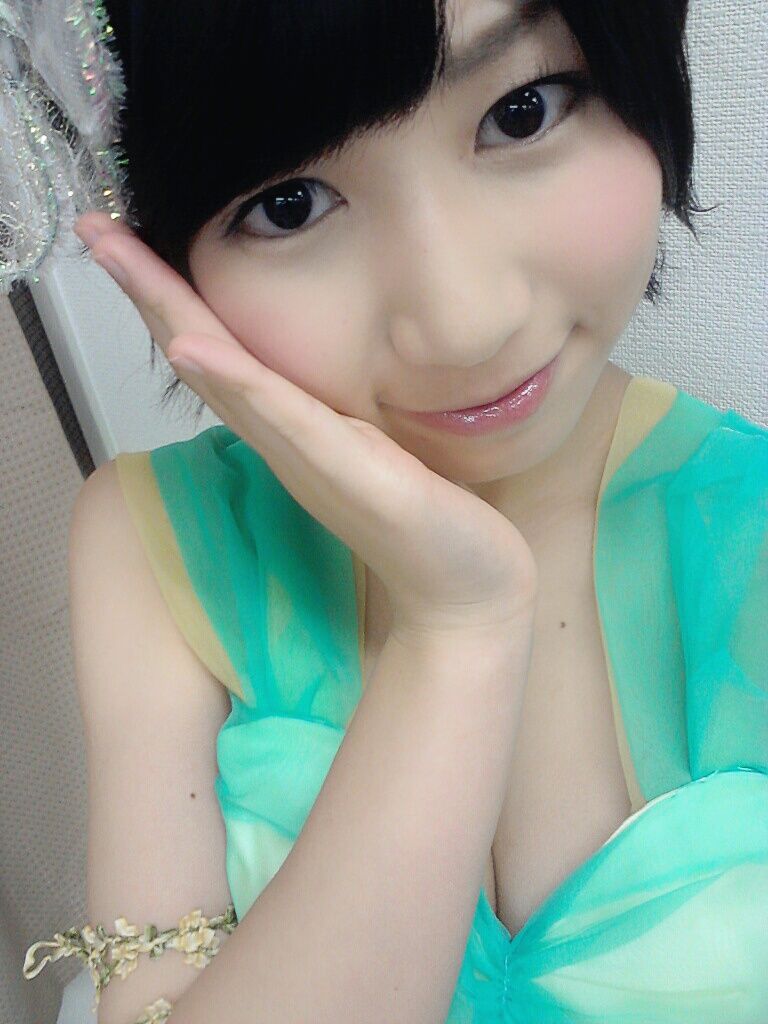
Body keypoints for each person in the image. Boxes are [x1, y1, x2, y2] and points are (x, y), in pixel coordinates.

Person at [18, 0, 767, 1022]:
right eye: (289, 205)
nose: (464, 323)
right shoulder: (155, 541)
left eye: (522, 111)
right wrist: (458, 627)